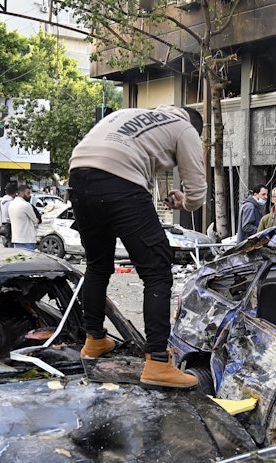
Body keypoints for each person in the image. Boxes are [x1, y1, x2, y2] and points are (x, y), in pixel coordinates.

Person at [68, 104, 206, 389]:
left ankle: (94, 341)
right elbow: (196, 191)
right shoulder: (185, 128)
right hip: (119, 180)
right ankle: (157, 363)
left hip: (79, 175)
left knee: (97, 265)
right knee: (156, 270)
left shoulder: (131, 114)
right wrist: (187, 202)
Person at [8, 184, 39, 250]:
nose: (29, 195)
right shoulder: (26, 205)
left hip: (16, 238)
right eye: (28, 193)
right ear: (21, 193)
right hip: (27, 239)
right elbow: (35, 220)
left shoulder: (11, 204)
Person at [0, 182, 18, 248]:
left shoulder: (2, 201)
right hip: (10, 229)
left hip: (3, 228)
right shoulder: (12, 203)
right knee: (11, 249)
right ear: (15, 192)